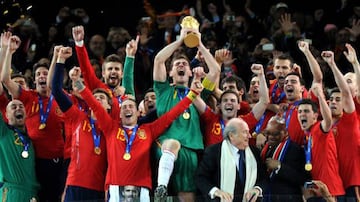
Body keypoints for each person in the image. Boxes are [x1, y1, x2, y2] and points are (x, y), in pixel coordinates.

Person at [71, 67, 204, 201]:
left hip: (142, 188)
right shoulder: (111, 127)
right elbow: (94, 105)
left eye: (131, 107)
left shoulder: (148, 130)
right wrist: (77, 81)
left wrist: (192, 94)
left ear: (138, 112)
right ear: (120, 114)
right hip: (115, 185)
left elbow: (172, 114)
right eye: (124, 107)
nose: (127, 109)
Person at [152, 18, 220, 201]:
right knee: (172, 144)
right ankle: (161, 188)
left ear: (191, 72)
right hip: (166, 146)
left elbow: (215, 71)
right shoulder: (163, 90)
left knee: (187, 195)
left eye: (185, 64)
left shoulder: (198, 93)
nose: (181, 65)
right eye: (176, 65)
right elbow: (159, 60)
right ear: (171, 74)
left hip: (191, 149)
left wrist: (200, 43)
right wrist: (180, 41)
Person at [1, 32, 65, 202]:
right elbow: (6, 80)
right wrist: (8, 51)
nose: (42, 77)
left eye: (46, 73)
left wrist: (58, 59)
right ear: (34, 80)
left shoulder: (63, 99)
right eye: (38, 75)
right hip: (37, 162)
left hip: (60, 163)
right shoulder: (28, 97)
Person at [51, 46, 108, 201]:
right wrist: (61, 59)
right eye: (95, 97)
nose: (98, 99)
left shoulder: (111, 126)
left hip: (99, 187)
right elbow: (56, 90)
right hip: (75, 182)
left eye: (102, 98)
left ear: (109, 106)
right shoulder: (78, 117)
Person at [194, 63, 269, 147]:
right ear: (220, 106)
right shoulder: (211, 118)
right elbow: (195, 98)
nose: (229, 102)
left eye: (232, 100)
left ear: (238, 106)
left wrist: (261, 75)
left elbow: (264, 102)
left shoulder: (244, 122)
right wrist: (196, 78)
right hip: (214, 159)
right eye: (225, 100)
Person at [72, 25, 138, 120]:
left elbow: (128, 77)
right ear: (103, 73)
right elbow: (86, 69)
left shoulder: (126, 93)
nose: (113, 71)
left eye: (117, 69)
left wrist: (130, 56)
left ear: (122, 73)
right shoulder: (97, 87)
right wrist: (79, 44)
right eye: (110, 69)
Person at [195, 118, 266, 202]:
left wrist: (257, 189)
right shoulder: (213, 152)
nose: (249, 136)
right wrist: (215, 191)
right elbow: (201, 178)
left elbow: (264, 178)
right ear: (231, 135)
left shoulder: (255, 153)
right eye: (245, 132)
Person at [321, 50, 360, 201]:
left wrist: (333, 64)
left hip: (352, 180)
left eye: (349, 81)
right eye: (332, 99)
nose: (334, 102)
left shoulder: (351, 117)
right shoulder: (327, 123)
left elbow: (345, 92)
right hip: (334, 181)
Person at [297, 83, 345, 199]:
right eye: (300, 111)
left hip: (332, 191)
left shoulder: (318, 129)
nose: (302, 114)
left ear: (315, 116)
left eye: (306, 111)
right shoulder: (307, 137)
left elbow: (328, 120)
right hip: (319, 192)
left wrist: (320, 96)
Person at [260, 115, 309, 201]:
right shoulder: (264, 149)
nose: (270, 137)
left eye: (275, 134)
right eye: (267, 133)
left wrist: (280, 167)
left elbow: (303, 178)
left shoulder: (295, 149)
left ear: (285, 132)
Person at [0, 99, 40, 201]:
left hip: (32, 195)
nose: (18, 108)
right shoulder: (3, 132)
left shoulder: (31, 140)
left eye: (21, 106)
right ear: (6, 115)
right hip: (12, 193)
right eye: (13, 107)